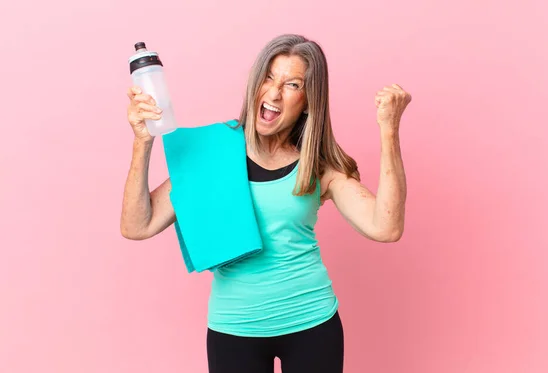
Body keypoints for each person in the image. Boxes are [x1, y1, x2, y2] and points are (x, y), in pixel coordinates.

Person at [120, 33, 410, 373]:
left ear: (309, 101)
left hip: (312, 323)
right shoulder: (212, 153)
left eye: (292, 85)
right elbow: (137, 225)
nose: (273, 93)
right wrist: (142, 142)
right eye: (269, 78)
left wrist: (389, 130)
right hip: (234, 329)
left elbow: (386, 227)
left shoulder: (318, 165)